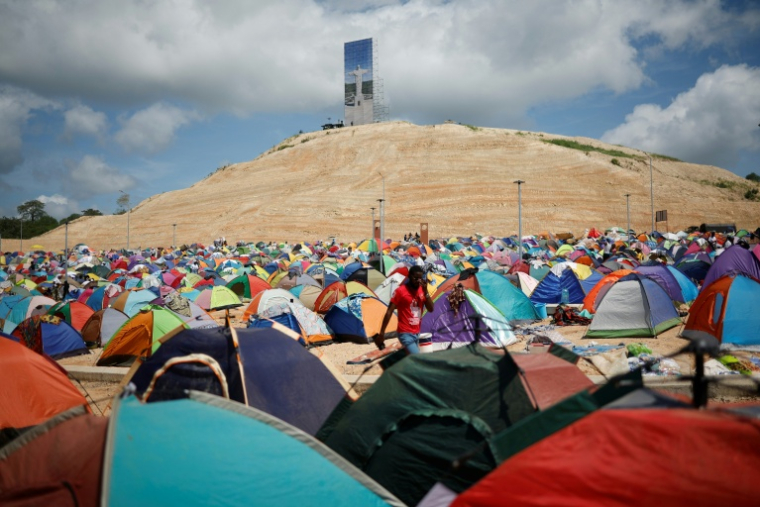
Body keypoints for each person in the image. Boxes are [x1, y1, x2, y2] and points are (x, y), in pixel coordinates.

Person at [375, 265, 434, 354]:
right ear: (409, 276)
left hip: (417, 332)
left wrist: (426, 292)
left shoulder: (422, 291)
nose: (418, 281)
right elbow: (389, 311)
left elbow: (431, 309)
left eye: (420, 278)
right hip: (405, 333)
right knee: (417, 358)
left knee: (411, 359)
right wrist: (382, 333)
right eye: (415, 278)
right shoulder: (400, 291)